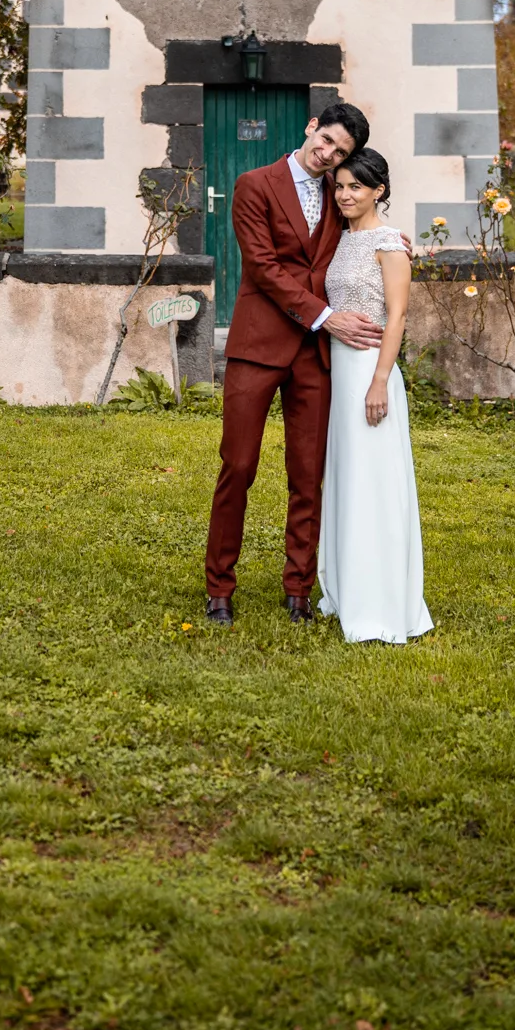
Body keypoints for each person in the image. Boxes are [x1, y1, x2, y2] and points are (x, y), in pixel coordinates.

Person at [204, 101, 385, 626]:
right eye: (326, 140)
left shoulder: (340, 193)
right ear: (311, 128)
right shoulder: (253, 184)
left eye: (340, 152)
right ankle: (219, 587)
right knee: (238, 466)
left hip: (314, 358)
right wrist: (325, 316)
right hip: (259, 344)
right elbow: (261, 267)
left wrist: (394, 252)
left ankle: (299, 589)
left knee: (308, 475)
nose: (327, 155)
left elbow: (361, 238)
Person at [316, 148, 433, 643]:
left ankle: (381, 603)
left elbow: (398, 316)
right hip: (339, 375)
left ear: (378, 191)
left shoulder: (389, 243)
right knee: (346, 480)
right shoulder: (340, 238)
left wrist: (380, 380)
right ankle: (343, 586)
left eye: (355, 188)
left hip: (370, 374)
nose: (344, 195)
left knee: (376, 484)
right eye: (339, 186)